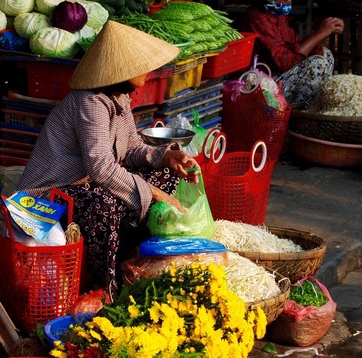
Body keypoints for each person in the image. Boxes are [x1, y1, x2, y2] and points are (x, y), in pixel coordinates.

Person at [17, 21, 200, 299]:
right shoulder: (89, 103)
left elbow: (132, 149)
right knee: (104, 206)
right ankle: (107, 288)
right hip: (52, 193)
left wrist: (166, 157)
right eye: (140, 65)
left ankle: (141, 259)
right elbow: (101, 167)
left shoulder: (120, 98)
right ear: (121, 70)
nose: (148, 70)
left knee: (166, 175)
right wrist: (152, 193)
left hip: (87, 183)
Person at [242, 0, 344, 108]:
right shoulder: (257, 17)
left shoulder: (279, 16)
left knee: (326, 54)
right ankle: (298, 112)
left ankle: (310, 107)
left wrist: (326, 31)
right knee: (317, 64)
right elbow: (285, 61)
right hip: (262, 86)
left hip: (279, 75)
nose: (289, 1)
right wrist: (320, 33)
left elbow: (298, 49)